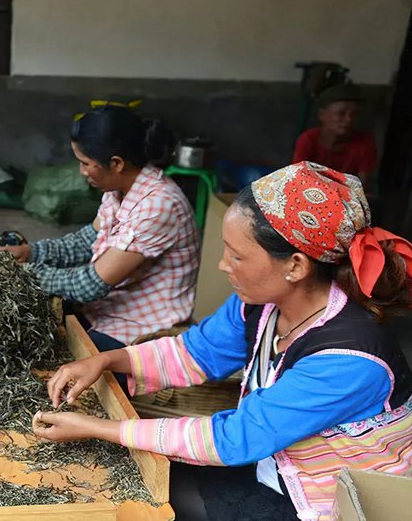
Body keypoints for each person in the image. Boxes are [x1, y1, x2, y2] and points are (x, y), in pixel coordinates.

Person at [34, 162, 412, 521]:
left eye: (236, 255)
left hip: (324, 501)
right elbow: (195, 353)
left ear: (295, 266)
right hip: (275, 465)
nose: (222, 265)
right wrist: (105, 360)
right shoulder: (260, 305)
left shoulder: (349, 360)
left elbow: (234, 438)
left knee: (150, 496)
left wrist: (98, 428)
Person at [0, 106, 199, 350]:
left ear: (116, 163)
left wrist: (26, 271)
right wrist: (32, 252)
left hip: (141, 327)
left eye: (85, 163)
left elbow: (90, 284)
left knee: (49, 351)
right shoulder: (118, 191)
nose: (81, 172)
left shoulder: (158, 206)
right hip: (108, 310)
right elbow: (85, 242)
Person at [293, 83, 376, 187]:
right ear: (322, 115)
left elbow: (361, 187)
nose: (348, 120)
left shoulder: (364, 143)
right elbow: (298, 180)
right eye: (341, 113)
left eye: (354, 114)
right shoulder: (308, 140)